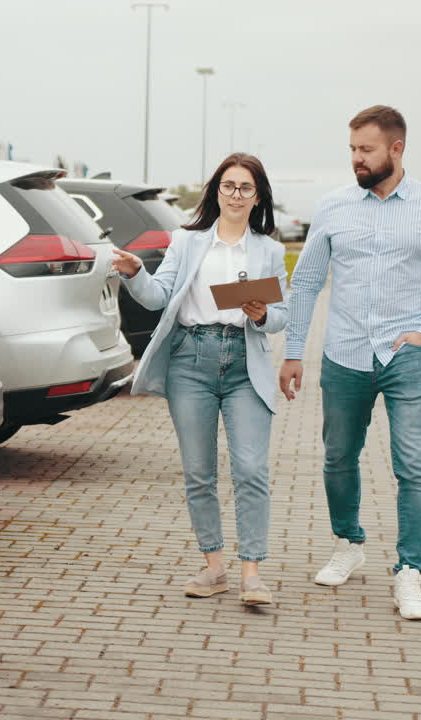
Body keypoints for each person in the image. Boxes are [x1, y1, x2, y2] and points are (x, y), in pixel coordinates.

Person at [279, 105, 421, 620]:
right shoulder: (333, 207)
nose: (356, 159)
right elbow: (305, 282)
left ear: (397, 148)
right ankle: (349, 543)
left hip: (408, 357)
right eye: (351, 150)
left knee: (414, 466)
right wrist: (294, 350)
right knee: (337, 457)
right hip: (344, 354)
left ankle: (410, 572)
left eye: (365, 149)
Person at [111, 153, 289, 606]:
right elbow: (157, 298)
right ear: (216, 191)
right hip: (191, 360)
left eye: (245, 188)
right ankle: (214, 568)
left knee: (250, 468)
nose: (235, 195)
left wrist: (264, 312)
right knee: (199, 472)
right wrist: (136, 274)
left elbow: (281, 315)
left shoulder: (268, 249)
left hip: (245, 360)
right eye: (228, 186)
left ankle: (252, 573)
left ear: (258, 196)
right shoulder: (187, 241)